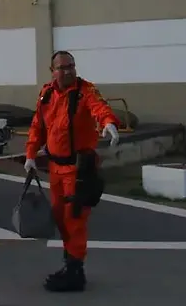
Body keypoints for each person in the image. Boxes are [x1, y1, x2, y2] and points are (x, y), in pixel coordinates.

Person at [24, 50, 121, 293]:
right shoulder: (47, 93)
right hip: (56, 169)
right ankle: (70, 264)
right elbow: (38, 126)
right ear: (53, 71)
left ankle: (75, 271)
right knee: (61, 218)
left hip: (78, 169)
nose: (68, 71)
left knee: (74, 219)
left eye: (71, 66)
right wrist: (30, 155)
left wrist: (108, 123)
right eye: (62, 67)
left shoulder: (85, 91)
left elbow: (99, 107)